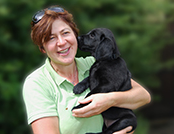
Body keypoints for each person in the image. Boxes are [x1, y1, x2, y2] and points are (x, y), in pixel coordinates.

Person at [23, 6, 151, 134]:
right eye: (51, 38)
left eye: (65, 33)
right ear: (42, 48)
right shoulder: (37, 83)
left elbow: (142, 96)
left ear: (75, 35)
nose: (61, 42)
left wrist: (109, 100)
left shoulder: (93, 63)